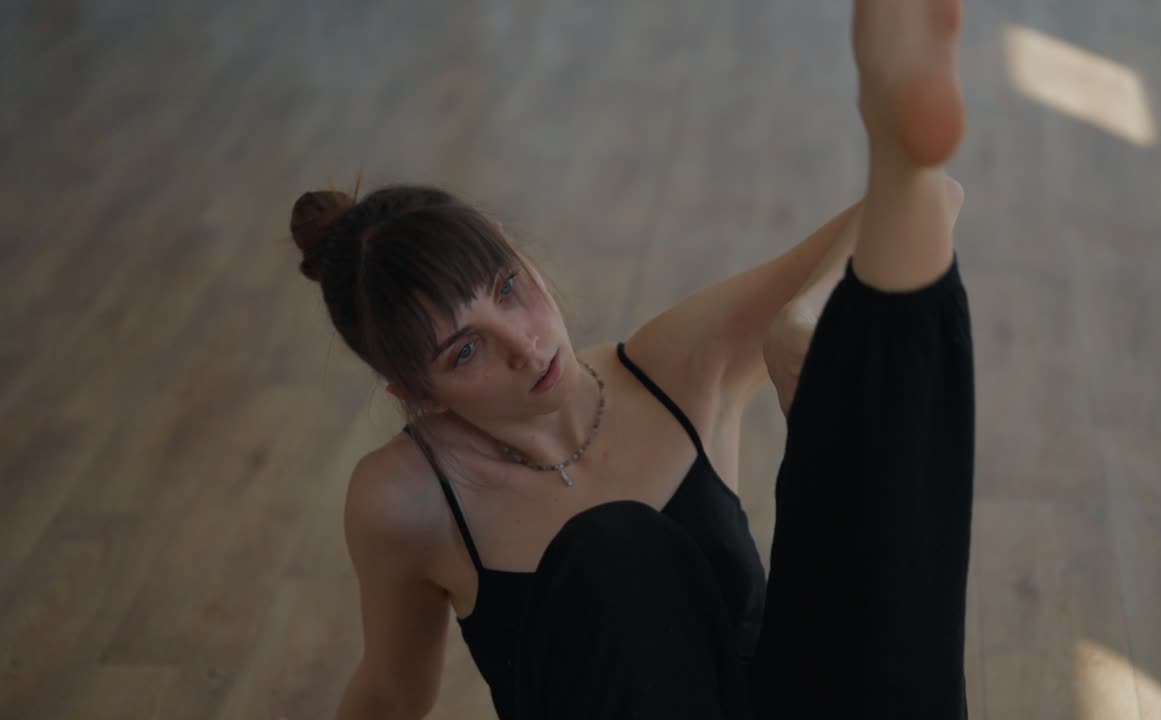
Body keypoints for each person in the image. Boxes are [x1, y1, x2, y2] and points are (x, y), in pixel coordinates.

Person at [291, 0, 972, 717]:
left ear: (512, 244)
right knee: (613, 548)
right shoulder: (406, 498)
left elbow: (937, 200)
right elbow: (390, 695)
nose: (525, 345)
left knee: (856, 441)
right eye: (465, 351)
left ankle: (895, 138)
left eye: (507, 286)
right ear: (414, 391)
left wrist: (803, 315)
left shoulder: (671, 368)